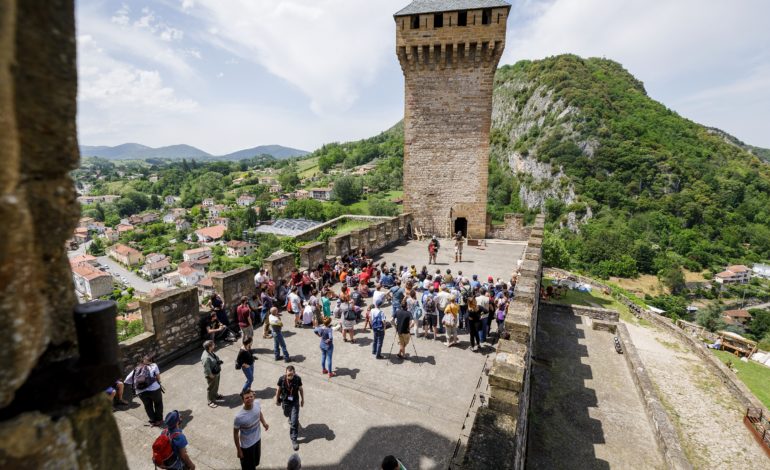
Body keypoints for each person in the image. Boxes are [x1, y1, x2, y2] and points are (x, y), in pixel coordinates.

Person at [233, 389, 269, 470]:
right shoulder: (239, 417)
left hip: (257, 440)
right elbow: (235, 434)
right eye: (246, 398)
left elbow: (259, 413)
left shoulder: (257, 404)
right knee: (248, 467)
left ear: (254, 397)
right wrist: (239, 450)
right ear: (243, 400)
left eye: (251, 397)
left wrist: (264, 423)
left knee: (255, 462)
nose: (249, 399)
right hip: (247, 446)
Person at [125, 355, 163, 426]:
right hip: (154, 389)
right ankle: (159, 420)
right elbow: (158, 377)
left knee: (148, 406)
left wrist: (139, 384)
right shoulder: (153, 365)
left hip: (141, 391)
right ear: (151, 360)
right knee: (158, 403)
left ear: (143, 360)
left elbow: (127, 380)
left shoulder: (136, 368)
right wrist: (158, 382)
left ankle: (153, 420)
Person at [275, 365, 304, 451]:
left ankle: (294, 439)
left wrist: (302, 400)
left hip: (295, 402)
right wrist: (277, 399)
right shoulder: (282, 379)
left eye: (291, 374)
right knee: (287, 414)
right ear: (285, 373)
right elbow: (278, 389)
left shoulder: (298, 379)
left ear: (294, 373)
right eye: (288, 375)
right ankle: (291, 418)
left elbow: (301, 389)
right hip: (285, 401)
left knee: (294, 422)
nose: (290, 376)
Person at [202, 340, 224, 408]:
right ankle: (210, 401)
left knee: (216, 385)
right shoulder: (206, 357)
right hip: (211, 375)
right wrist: (211, 376)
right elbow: (206, 368)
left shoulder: (210, 351)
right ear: (209, 347)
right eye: (213, 344)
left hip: (216, 372)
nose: (214, 345)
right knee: (211, 388)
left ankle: (215, 395)